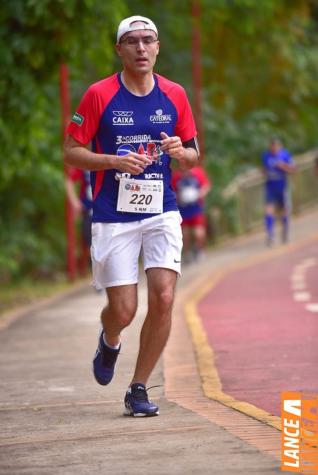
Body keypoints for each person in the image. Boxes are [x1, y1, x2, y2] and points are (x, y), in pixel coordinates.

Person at [64, 15, 199, 417]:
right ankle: (110, 338)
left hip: (162, 210)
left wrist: (180, 152)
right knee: (123, 310)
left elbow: (193, 157)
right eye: (133, 41)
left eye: (148, 41)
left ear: (158, 48)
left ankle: (138, 387)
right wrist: (112, 161)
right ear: (119, 49)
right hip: (113, 215)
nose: (141, 48)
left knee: (164, 296)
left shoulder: (175, 94)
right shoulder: (98, 95)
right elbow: (71, 151)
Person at [172, 166, 211, 262]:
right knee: (184, 234)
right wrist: (179, 197)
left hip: (196, 207)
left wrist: (199, 194)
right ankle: (187, 253)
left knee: (199, 233)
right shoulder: (176, 176)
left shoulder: (198, 173)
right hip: (183, 209)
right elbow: (172, 191)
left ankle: (199, 249)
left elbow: (206, 185)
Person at [262, 138, 296, 246]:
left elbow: (293, 169)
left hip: (282, 186)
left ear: (279, 147)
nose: (274, 149)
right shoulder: (266, 156)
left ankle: (285, 230)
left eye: (276, 146)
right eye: (272, 146)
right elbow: (264, 169)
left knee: (283, 210)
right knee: (268, 210)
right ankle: (270, 234)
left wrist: (283, 166)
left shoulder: (285, 155)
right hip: (270, 187)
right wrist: (264, 172)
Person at [65, 168, 93, 272]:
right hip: (88, 212)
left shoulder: (110, 158)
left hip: (105, 211)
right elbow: (69, 180)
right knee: (90, 244)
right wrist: (74, 202)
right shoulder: (85, 165)